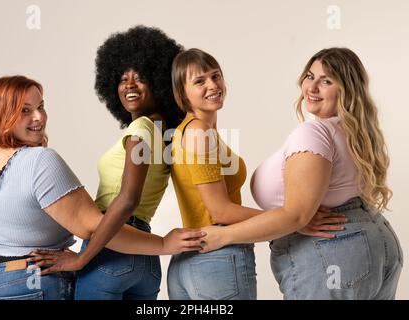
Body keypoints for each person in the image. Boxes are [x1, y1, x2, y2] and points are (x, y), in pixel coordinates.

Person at [0, 75, 203, 300]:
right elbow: (96, 228)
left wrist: (3, 258)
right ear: (1, 115)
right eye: (25, 110)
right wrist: (162, 244)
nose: (39, 117)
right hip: (31, 282)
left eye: (41, 107)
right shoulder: (40, 161)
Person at [199, 47, 403, 299]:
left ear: (346, 89)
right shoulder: (358, 133)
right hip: (377, 242)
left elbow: (296, 217)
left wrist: (223, 236)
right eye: (310, 76)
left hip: (333, 249)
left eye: (326, 80)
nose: (312, 87)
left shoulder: (314, 133)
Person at [167, 48, 345, 300]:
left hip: (190, 261)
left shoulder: (190, 131)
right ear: (182, 92)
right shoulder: (198, 132)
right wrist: (290, 221)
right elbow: (219, 210)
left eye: (215, 76)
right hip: (216, 257)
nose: (212, 85)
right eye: (199, 81)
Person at [29, 26, 192, 300]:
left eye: (140, 78)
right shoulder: (165, 134)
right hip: (146, 259)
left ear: (159, 82)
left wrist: (82, 259)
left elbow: (128, 198)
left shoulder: (140, 129)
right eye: (122, 78)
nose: (129, 85)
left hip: (112, 246)